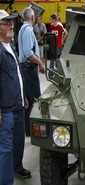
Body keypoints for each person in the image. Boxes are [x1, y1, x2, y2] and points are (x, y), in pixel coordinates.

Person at [0, 10, 31, 185]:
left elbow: (17, 74)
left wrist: (24, 96)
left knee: (19, 140)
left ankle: (17, 167)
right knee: (5, 148)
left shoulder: (10, 45)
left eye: (11, 22)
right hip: (6, 108)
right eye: (6, 23)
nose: (12, 25)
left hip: (17, 103)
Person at [18, 7, 45, 136]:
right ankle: (31, 130)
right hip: (29, 69)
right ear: (33, 18)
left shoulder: (22, 29)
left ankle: (28, 129)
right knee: (33, 100)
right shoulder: (28, 30)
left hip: (26, 68)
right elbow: (29, 53)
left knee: (28, 99)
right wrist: (40, 63)